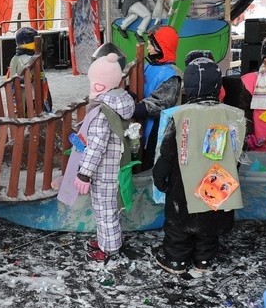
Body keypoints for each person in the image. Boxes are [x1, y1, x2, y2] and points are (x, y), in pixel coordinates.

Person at [152, 55, 245, 274]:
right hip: (218, 182)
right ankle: (204, 260)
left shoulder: (179, 115)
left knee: (178, 226)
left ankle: (175, 259)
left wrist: (159, 177)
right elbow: (239, 153)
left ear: (189, 85)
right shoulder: (234, 115)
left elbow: (166, 153)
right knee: (209, 226)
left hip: (181, 184)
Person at [73, 52, 136, 262]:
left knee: (106, 212)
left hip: (103, 172)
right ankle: (105, 241)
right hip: (113, 168)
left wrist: (84, 173)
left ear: (99, 85)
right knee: (107, 210)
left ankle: (109, 250)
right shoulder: (116, 103)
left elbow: (96, 147)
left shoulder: (102, 112)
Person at [133, 25, 182, 170]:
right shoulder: (149, 66)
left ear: (161, 46)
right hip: (143, 122)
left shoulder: (172, 74)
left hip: (158, 127)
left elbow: (161, 103)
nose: (148, 47)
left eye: (151, 44)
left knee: (150, 162)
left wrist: (135, 108)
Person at [6, 26, 52, 112]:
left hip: (25, 96)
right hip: (30, 96)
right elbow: (25, 79)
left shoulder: (15, 58)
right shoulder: (29, 59)